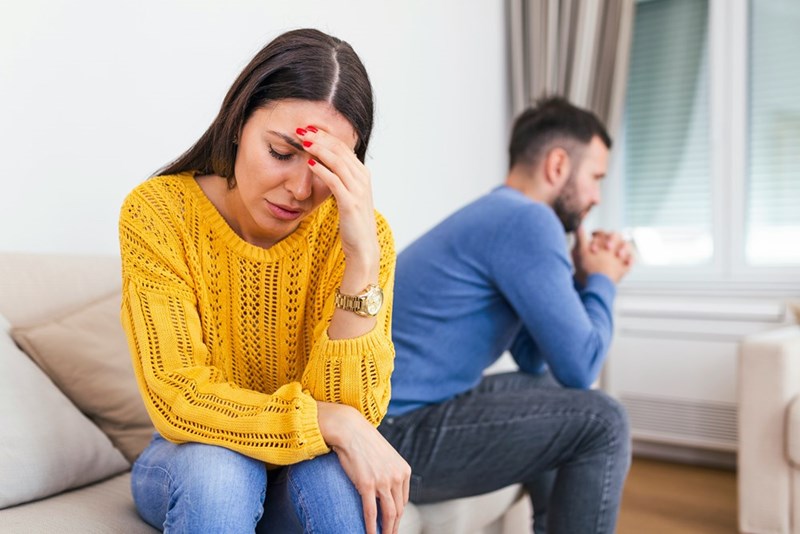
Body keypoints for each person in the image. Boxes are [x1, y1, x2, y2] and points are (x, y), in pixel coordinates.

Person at [119, 28, 410, 534]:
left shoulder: (361, 235)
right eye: (280, 153)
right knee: (222, 472)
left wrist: (361, 262)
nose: (300, 189)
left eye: (325, 167)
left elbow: (357, 411)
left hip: (305, 464)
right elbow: (179, 395)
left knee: (336, 481)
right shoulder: (158, 214)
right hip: (193, 455)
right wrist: (329, 421)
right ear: (237, 124)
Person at [377, 97, 634, 534]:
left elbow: (535, 360)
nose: (595, 196)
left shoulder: (502, 214)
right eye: (595, 177)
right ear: (557, 165)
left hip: (402, 417)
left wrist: (568, 277)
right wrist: (602, 280)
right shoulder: (529, 222)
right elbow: (581, 366)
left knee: (551, 389)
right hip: (392, 435)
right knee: (603, 422)